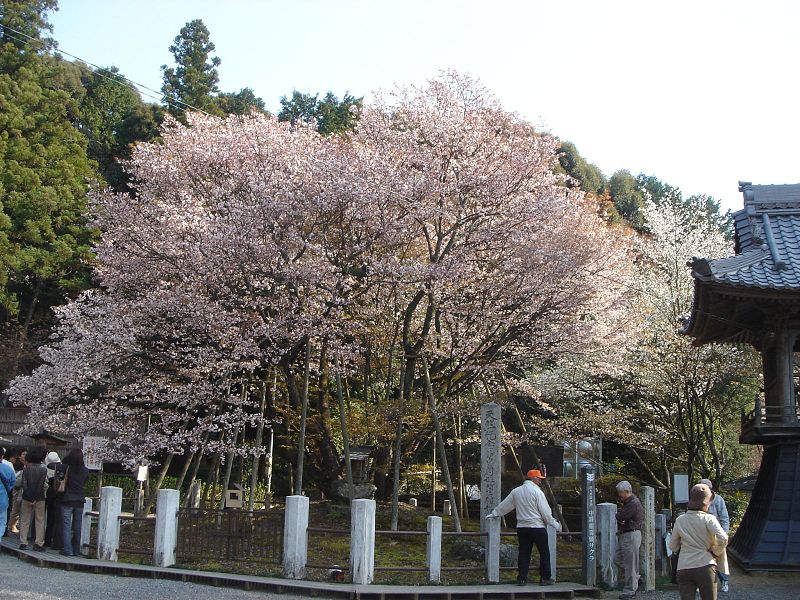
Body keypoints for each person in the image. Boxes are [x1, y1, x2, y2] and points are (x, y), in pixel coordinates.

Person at [487, 468, 561, 586]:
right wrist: (554, 523)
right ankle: (545, 578)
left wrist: (495, 513)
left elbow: (506, 505)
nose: (540, 482)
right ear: (534, 479)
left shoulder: (516, 491)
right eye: (539, 479)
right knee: (544, 552)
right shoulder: (538, 492)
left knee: (524, 553)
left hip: (522, 527)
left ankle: (522, 578)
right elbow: (545, 512)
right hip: (537, 527)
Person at [669, 483, 728, 600]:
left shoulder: (680, 520)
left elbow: (672, 545)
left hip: (684, 567)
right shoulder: (709, 519)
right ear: (706, 502)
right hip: (705, 565)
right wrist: (715, 551)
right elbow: (723, 538)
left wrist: (680, 551)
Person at [699, 478, 730, 593]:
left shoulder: (719, 500)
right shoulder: (698, 500)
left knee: (721, 561)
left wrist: (724, 534)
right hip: (702, 536)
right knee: (702, 561)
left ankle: (724, 582)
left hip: (717, 535)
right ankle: (701, 583)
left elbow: (724, 518)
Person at [614, 481, 643, 599]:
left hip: (630, 535)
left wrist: (620, 517)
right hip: (627, 535)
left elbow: (620, 516)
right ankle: (636, 579)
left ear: (627, 491)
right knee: (618, 559)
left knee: (630, 564)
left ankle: (630, 590)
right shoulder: (629, 502)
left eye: (620, 493)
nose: (619, 495)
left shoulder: (633, 503)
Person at [58, 449, 89, 557]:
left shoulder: (66, 468)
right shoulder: (85, 470)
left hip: (67, 499)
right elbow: (85, 482)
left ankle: (67, 549)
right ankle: (76, 549)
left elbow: (52, 465)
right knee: (77, 526)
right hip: (79, 500)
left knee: (66, 526)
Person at [18, 446, 48, 551]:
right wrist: (35, 497)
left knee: (24, 520)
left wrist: (29, 496)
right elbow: (41, 485)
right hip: (39, 498)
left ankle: (23, 542)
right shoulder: (43, 469)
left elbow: (24, 484)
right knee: (40, 520)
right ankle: (38, 543)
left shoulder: (26, 468)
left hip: (26, 496)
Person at [44, 451, 63, 549]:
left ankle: (47, 539)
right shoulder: (61, 468)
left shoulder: (46, 469)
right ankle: (56, 541)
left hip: (49, 493)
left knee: (49, 518)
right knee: (57, 518)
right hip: (58, 493)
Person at [8, 448, 26, 534]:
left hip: (22, 488)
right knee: (16, 508)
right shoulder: (16, 464)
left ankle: (15, 525)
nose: (24, 456)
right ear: (19, 455)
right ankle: (11, 525)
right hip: (17, 487)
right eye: (23, 454)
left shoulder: (26, 464)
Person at [0, 449, 16, 537]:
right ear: (2, 456)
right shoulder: (8, 469)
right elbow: (13, 482)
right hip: (3, 499)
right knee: (2, 522)